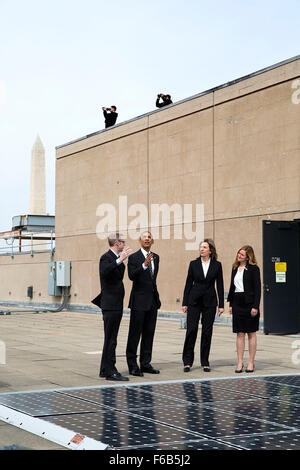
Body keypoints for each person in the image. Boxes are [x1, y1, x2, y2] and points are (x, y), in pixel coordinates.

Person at [92, 233, 132, 381]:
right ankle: (111, 371)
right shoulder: (106, 257)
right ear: (117, 243)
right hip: (110, 304)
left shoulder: (116, 259)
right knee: (111, 339)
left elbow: (119, 276)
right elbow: (105, 271)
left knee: (110, 338)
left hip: (116, 303)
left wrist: (121, 260)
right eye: (123, 242)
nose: (124, 244)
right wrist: (119, 259)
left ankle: (104, 368)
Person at [182, 239, 224, 372]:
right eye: (201, 247)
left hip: (210, 302)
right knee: (191, 330)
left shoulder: (217, 265)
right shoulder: (193, 264)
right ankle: (187, 361)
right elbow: (188, 283)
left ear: (210, 250)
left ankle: (205, 361)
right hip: (194, 301)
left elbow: (220, 285)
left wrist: (221, 304)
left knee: (207, 331)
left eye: (205, 247)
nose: (202, 249)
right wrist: (185, 302)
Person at [126, 231, 161, 376]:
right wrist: (144, 265)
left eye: (149, 237)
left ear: (152, 241)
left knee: (149, 333)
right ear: (140, 241)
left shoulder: (156, 257)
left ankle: (145, 363)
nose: (147, 239)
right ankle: (132, 365)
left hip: (152, 301)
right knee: (135, 334)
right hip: (139, 302)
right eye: (144, 237)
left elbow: (152, 280)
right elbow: (131, 276)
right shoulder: (134, 257)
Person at [227, 245, 261, 373]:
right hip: (237, 302)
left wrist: (255, 306)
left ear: (248, 256)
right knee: (239, 333)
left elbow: (258, 289)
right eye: (238, 253)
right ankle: (240, 362)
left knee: (251, 333)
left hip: (250, 304)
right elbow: (232, 287)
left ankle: (251, 363)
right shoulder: (235, 268)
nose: (239, 256)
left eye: (242, 254)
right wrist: (230, 304)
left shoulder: (254, 269)